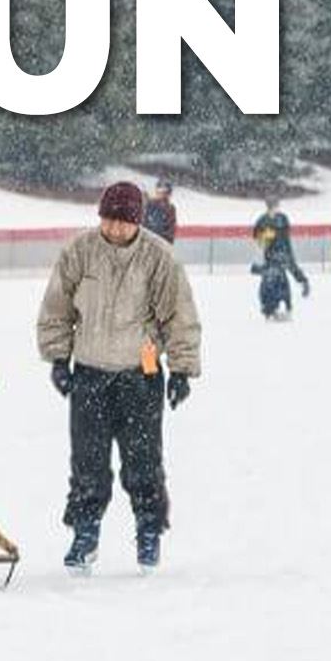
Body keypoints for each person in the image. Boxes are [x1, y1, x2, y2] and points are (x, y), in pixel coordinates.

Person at [37, 182, 201, 575]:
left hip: (139, 376)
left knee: (142, 460)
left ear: (137, 223)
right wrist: (59, 359)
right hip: (90, 374)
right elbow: (56, 309)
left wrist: (180, 368)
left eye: (123, 222)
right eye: (108, 220)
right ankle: (85, 531)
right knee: (87, 462)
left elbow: (180, 316)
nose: (114, 229)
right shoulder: (80, 251)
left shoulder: (159, 257)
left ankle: (149, 530)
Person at [252, 240, 310, 320]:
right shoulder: (271, 264)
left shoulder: (275, 263)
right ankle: (272, 310)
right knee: (273, 285)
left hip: (277, 286)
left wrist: (303, 281)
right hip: (274, 288)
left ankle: (274, 310)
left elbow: (292, 266)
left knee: (275, 285)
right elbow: (292, 267)